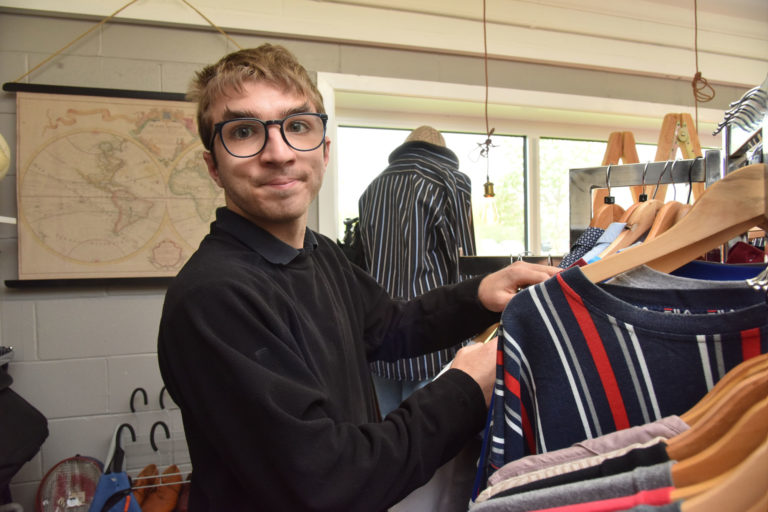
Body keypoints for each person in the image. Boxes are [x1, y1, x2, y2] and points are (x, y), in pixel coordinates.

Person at [157, 43, 559, 512]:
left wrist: (479, 294)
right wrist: (467, 386)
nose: (278, 152)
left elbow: (391, 326)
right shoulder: (215, 298)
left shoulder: (318, 252)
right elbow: (331, 482)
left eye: (297, 126)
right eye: (245, 131)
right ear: (213, 167)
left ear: (323, 151)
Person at [359, 125, 477, 416]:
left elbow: (363, 260)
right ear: (444, 151)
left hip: (380, 331)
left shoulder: (372, 188)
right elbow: (464, 260)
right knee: (427, 435)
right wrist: (472, 329)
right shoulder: (451, 181)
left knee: (385, 436)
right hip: (431, 330)